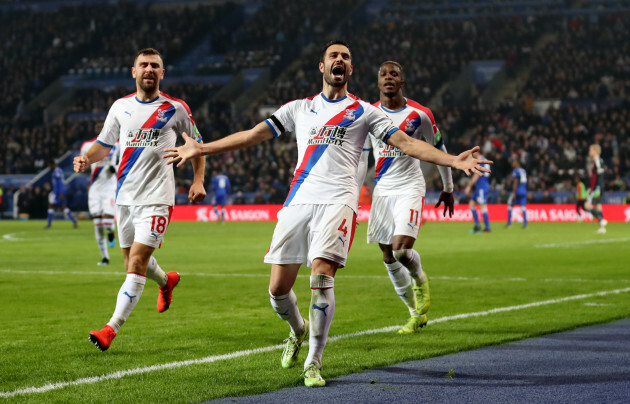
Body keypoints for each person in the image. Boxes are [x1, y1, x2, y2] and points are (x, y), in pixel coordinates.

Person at [164, 40, 491, 387]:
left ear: (350, 71)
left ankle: (313, 362)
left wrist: (453, 159)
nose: (340, 60)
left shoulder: (366, 112)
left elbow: (407, 143)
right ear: (322, 67)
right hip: (298, 202)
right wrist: (202, 147)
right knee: (277, 290)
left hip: (339, 203)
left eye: (345, 58)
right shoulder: (298, 109)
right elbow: (252, 136)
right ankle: (297, 330)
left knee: (321, 276)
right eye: (333, 56)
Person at [73, 48, 206, 352]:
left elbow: (197, 145)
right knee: (133, 264)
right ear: (133, 72)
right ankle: (166, 281)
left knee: (136, 262)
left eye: (154, 66)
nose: (149, 69)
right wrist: (85, 159)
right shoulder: (120, 107)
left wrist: (198, 180)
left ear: (162, 73)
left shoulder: (176, 108)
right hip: (125, 198)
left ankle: (110, 329)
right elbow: (103, 146)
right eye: (143, 65)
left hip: (158, 199)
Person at [361, 61, 454, 335]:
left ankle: (419, 278)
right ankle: (415, 315)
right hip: (382, 191)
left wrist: (448, 187)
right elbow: (362, 157)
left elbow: (439, 148)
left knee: (401, 249)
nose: (389, 78)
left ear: (402, 82)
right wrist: (353, 196)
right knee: (388, 255)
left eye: (395, 74)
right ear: (378, 83)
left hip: (410, 187)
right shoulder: (369, 114)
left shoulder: (420, 114)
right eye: (383, 75)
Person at [80, 122, 120, 265]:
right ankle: (105, 258)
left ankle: (111, 232)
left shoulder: (118, 146)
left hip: (110, 187)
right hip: (95, 188)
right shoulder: (87, 146)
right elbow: (83, 164)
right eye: (97, 128)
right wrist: (81, 165)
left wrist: (114, 168)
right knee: (97, 222)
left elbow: (123, 163)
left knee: (107, 222)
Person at [45, 160, 78, 229]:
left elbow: (60, 183)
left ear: (53, 164)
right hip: (58, 192)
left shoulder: (57, 172)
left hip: (57, 193)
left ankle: (49, 224)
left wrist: (61, 192)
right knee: (63, 207)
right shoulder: (59, 170)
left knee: (51, 206)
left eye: (49, 165)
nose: (49, 167)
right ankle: (74, 221)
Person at [464, 155, 492, 233]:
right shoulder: (485, 160)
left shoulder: (480, 161)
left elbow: (477, 174)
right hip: (480, 187)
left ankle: (487, 228)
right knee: (471, 204)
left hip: (481, 188)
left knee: (483, 206)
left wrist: (469, 186)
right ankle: (477, 226)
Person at [585, 144, 607, 233]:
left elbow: (600, 174)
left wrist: (595, 187)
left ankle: (601, 219)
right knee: (598, 205)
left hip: (597, 187)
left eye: (591, 150)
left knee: (586, 205)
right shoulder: (597, 160)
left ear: (595, 151)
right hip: (598, 186)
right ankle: (601, 228)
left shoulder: (597, 160)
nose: (589, 152)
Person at [506, 156, 528, 229]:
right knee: (523, 207)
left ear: (517, 163)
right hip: (524, 191)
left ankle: (509, 224)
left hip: (518, 191)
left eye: (514, 162)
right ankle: (525, 224)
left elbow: (515, 182)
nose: (512, 163)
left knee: (509, 205)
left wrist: (514, 192)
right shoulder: (523, 171)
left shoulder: (516, 171)